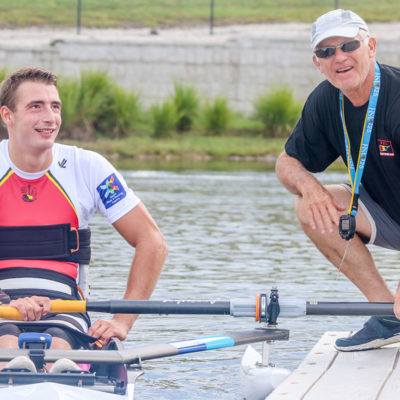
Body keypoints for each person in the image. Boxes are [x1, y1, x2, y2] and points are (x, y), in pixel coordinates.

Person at [0, 67, 168, 370]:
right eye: (36, 106)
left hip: (66, 304)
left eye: (55, 106)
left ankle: (57, 373)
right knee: (5, 336)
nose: (50, 117)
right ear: (7, 116)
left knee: (59, 340)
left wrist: (122, 321)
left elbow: (152, 242)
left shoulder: (90, 167)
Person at [275, 9, 400, 352]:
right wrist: (309, 186)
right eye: (326, 52)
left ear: (371, 46)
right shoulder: (325, 100)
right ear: (317, 63)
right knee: (307, 205)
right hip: (390, 216)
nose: (339, 57)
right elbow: (286, 162)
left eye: (348, 45)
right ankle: (388, 314)